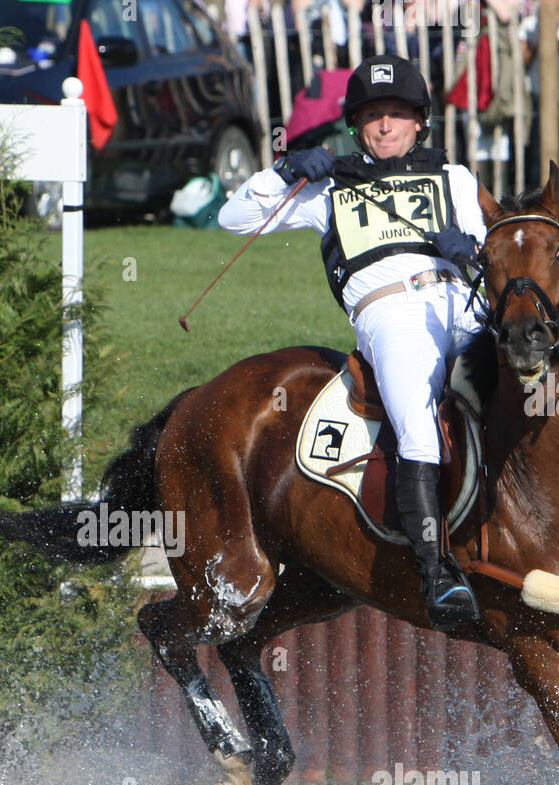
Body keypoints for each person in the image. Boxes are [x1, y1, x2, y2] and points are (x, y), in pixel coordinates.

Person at [217, 54, 487, 630]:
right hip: (390, 312)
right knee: (416, 423)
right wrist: (284, 172)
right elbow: (232, 218)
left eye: (396, 113)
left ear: (420, 122)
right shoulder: (327, 190)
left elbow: (499, 252)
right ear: (354, 126)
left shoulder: (455, 180)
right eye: (371, 116)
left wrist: (470, 254)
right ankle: (436, 571)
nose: (384, 125)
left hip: (461, 300)